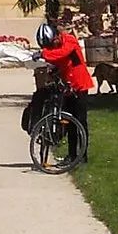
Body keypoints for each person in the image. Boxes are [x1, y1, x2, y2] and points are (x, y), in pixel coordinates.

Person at [35, 19, 94, 161]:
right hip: (67, 87)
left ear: (56, 36)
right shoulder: (53, 49)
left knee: (80, 120)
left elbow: (62, 53)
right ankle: (72, 154)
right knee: (68, 123)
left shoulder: (70, 40)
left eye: (51, 44)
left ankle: (83, 155)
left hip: (79, 86)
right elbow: (57, 60)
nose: (50, 48)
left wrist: (43, 54)